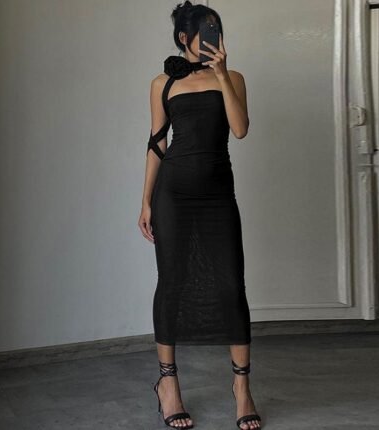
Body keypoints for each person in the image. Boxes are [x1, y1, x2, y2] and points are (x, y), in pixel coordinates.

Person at [138, 1, 261, 429]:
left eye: (218, 30)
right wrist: (145, 201)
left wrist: (222, 74)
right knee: (172, 283)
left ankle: (241, 387)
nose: (214, 38)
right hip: (173, 195)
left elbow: (240, 129)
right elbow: (157, 143)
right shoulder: (162, 83)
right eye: (206, 31)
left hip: (217, 196)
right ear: (183, 38)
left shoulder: (234, 77)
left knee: (230, 285)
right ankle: (168, 384)